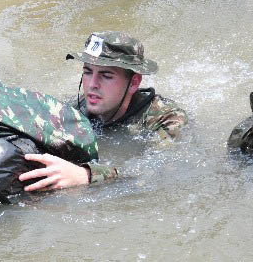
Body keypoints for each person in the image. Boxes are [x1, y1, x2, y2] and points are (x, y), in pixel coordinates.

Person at [19, 31, 188, 190]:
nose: (92, 84)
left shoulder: (167, 118)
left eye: (106, 75)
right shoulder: (73, 110)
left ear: (134, 82)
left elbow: (156, 169)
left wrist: (87, 175)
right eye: (87, 72)